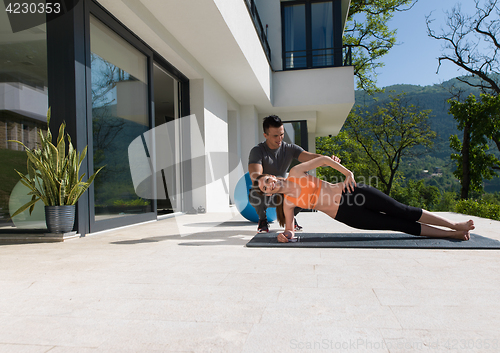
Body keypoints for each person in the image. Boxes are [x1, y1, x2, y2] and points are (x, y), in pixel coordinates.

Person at [253, 156, 475, 243]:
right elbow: (290, 229)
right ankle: (450, 234)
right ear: (269, 194)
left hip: (352, 192)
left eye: (268, 180)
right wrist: (286, 235)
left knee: (402, 210)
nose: (269, 184)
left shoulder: (295, 172)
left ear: (272, 176)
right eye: (265, 187)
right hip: (347, 214)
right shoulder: (288, 203)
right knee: (396, 225)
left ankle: (454, 225)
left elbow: (321, 161)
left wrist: (347, 172)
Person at [248, 115, 340, 233]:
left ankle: (290, 218)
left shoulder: (290, 148)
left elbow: (311, 157)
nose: (280, 138)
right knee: (255, 193)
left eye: (282, 134)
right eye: (275, 136)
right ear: (265, 135)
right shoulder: (257, 151)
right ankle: (262, 220)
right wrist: (267, 188)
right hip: (268, 191)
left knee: (306, 190)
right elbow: (255, 176)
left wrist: (328, 160)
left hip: (284, 192)